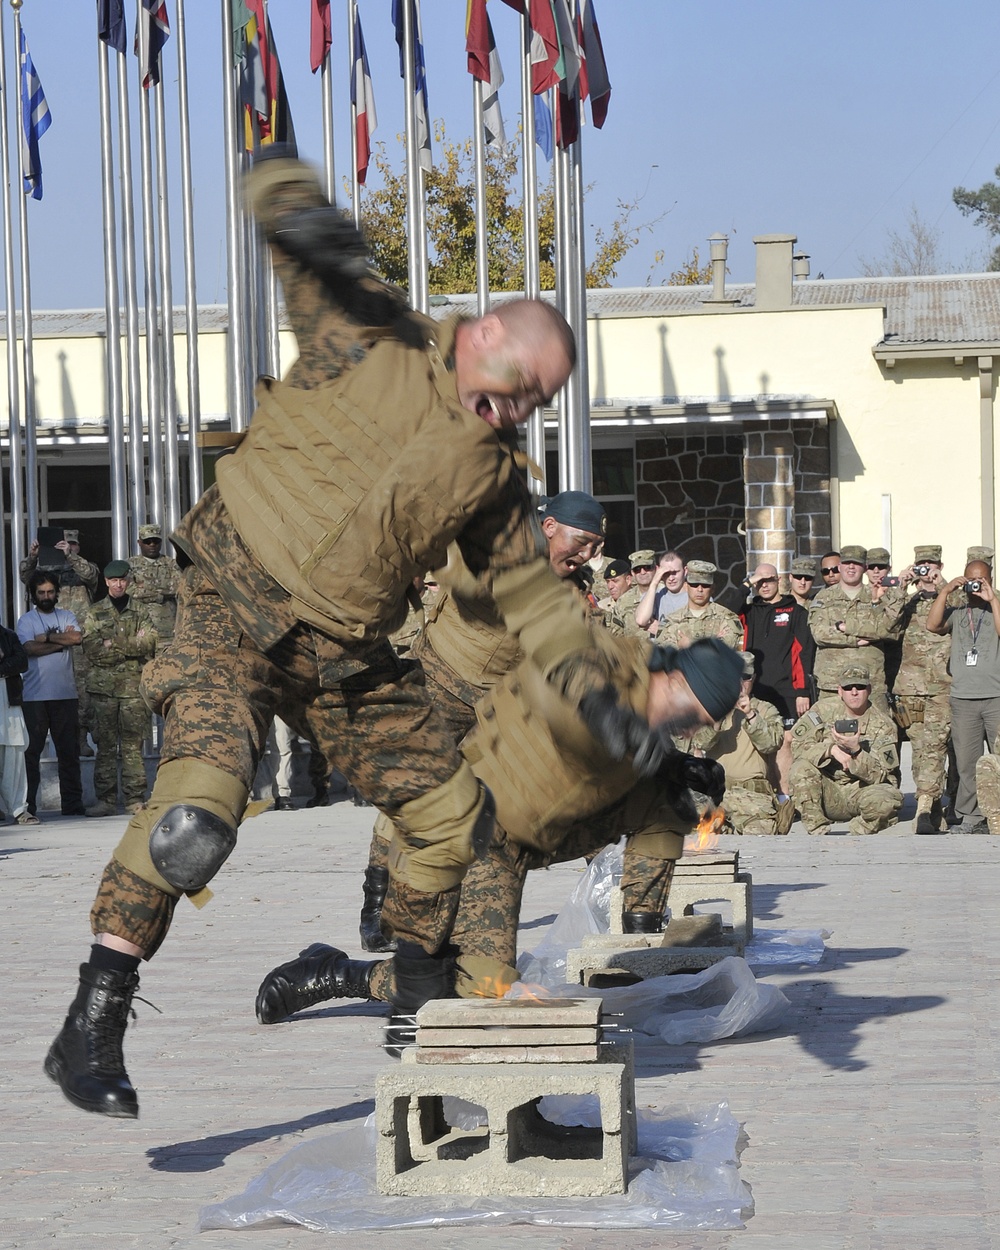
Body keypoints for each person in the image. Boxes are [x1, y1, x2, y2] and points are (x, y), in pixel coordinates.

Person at [43, 151, 639, 1119]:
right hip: (229, 609)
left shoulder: (493, 477)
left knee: (453, 817)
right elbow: (295, 218)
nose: (518, 407)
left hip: (345, 658)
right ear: (482, 333)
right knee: (198, 811)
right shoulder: (369, 328)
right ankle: (93, 1018)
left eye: (537, 401)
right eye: (517, 380)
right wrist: (284, 190)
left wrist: (603, 699)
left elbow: (535, 599)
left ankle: (413, 1010)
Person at [255, 636, 745, 1037]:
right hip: (476, 828)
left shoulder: (650, 715)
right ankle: (337, 973)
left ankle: (639, 926)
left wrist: (678, 767)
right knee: (481, 985)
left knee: (673, 802)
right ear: (673, 677)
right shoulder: (603, 662)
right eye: (688, 711)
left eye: (696, 723)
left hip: (529, 841)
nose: (685, 725)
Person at [355, 489, 608, 953]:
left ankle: (446, 908)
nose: (588, 554)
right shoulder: (491, 549)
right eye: (582, 541)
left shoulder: (575, 588)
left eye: (595, 547)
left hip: (498, 708)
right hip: (441, 682)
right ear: (549, 527)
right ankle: (378, 906)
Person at [926, 558, 1000, 833]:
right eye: (970, 580)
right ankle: (971, 817)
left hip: (996, 696)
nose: (975, 585)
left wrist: (992, 600)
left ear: (990, 579)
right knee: (967, 763)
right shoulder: (959, 609)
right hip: (963, 698)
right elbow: (933, 626)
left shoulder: (997, 603)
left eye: (981, 580)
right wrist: (945, 592)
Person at [680, 652, 791, 835]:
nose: (739, 683)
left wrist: (750, 715)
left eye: (745, 677)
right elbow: (699, 743)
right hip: (717, 793)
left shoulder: (766, 709)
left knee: (759, 836)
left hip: (752, 797)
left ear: (753, 679)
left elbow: (771, 744)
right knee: (694, 833)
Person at [788, 661, 902, 836]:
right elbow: (798, 749)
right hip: (827, 790)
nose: (854, 692)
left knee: (888, 799)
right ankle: (818, 829)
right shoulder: (822, 710)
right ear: (840, 691)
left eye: (860, 687)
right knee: (800, 769)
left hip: (860, 791)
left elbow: (886, 778)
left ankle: (858, 829)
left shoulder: (884, 725)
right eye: (848, 687)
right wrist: (830, 750)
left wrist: (857, 752)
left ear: (869, 690)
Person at [81, 562, 158, 818]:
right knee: (105, 746)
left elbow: (149, 643)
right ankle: (105, 800)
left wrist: (113, 642)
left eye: (122, 580)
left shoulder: (140, 611)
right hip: (103, 690)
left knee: (132, 745)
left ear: (128, 581)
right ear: (106, 581)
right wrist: (129, 648)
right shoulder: (95, 612)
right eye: (113, 580)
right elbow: (91, 649)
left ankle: (135, 798)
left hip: (133, 689)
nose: (118, 584)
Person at [887, 546, 952, 834]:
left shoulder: (951, 598)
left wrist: (943, 584)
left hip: (943, 686)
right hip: (910, 689)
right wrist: (899, 588)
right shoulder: (908, 602)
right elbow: (884, 625)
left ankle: (925, 806)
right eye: (921, 565)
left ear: (939, 565)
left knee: (937, 748)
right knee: (921, 750)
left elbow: (969, 609)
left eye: (932, 564)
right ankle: (932, 809)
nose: (926, 570)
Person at [20, 529, 100, 758]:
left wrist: (70, 557)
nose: (68, 548)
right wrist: (34, 556)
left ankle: (82, 738)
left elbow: (91, 575)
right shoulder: (45, 572)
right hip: (56, 640)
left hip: (80, 639)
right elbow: (26, 576)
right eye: (63, 545)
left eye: (72, 544)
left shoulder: (83, 567)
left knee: (83, 690)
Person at [740, 562, 815, 796]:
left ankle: (785, 797)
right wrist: (748, 583)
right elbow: (727, 605)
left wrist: (802, 691)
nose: (764, 585)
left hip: (787, 690)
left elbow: (805, 653)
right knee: (758, 740)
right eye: (759, 582)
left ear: (779, 580)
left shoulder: (796, 612)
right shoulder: (750, 611)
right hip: (755, 689)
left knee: (784, 742)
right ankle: (766, 795)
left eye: (769, 580)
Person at [16, 573, 85, 818]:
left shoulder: (67, 615)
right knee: (31, 754)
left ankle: (73, 804)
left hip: (65, 695)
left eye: (50, 592)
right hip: (35, 697)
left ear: (57, 592)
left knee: (69, 752)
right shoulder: (26, 620)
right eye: (41, 593)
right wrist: (61, 642)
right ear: (33, 595)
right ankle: (28, 807)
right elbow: (28, 648)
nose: (46, 597)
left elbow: (76, 637)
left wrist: (45, 638)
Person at [808, 545, 897, 708]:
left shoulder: (878, 595)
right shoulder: (824, 597)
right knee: (830, 732)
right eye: (847, 562)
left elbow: (887, 630)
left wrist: (844, 628)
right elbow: (819, 633)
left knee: (874, 732)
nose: (851, 567)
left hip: (870, 685)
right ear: (840, 566)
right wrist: (855, 640)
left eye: (856, 563)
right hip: (832, 685)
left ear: (864, 568)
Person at [658, 560, 744, 650]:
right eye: (694, 585)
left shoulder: (726, 618)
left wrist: (687, 645)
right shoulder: (672, 621)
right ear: (686, 586)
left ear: (713, 588)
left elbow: (726, 647)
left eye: (705, 585)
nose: (700, 589)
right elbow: (666, 652)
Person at [0, 622, 34, 825]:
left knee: (14, 755)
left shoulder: (8, 636)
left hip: (8, 702)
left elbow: (22, 662)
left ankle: (19, 809)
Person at [126, 524, 183, 646]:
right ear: (139, 542)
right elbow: (131, 591)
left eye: (156, 541)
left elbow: (179, 587)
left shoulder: (171, 564)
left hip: (167, 627)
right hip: (139, 626)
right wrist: (161, 595)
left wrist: (145, 587)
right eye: (147, 541)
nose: (152, 545)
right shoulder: (130, 564)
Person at [634, 550, 687, 633]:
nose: (671, 578)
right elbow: (641, 620)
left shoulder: (696, 597)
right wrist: (654, 583)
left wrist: (662, 630)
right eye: (666, 573)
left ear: (685, 571)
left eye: (675, 572)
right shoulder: (655, 595)